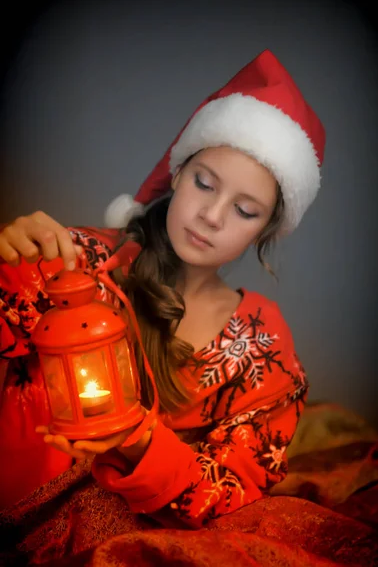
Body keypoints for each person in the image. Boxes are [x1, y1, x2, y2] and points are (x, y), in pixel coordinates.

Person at [0, 49, 325, 527]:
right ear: (177, 173)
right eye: (205, 183)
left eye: (244, 210)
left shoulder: (262, 347)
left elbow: (225, 489)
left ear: (264, 232)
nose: (211, 216)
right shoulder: (74, 263)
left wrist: (136, 442)